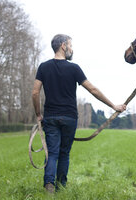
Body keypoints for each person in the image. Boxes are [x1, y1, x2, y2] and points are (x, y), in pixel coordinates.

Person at [32, 34, 126, 193]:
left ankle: (49, 185)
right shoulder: (74, 68)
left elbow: (35, 93)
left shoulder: (43, 67)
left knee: (52, 152)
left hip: (51, 117)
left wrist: (38, 114)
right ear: (63, 46)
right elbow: (93, 90)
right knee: (64, 153)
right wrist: (113, 105)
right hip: (69, 117)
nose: (71, 49)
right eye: (70, 45)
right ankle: (61, 186)